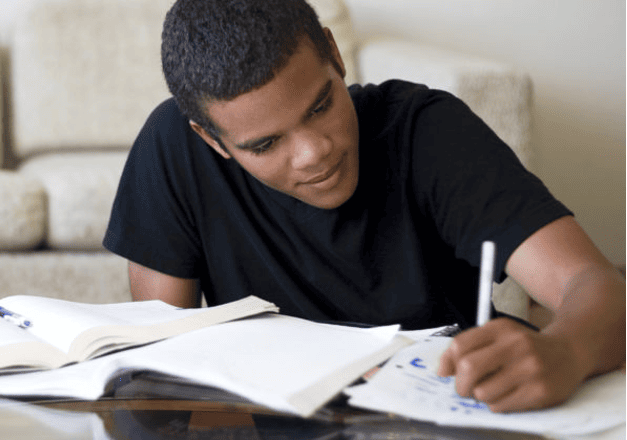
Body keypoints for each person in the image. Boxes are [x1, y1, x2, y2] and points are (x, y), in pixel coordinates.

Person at [102, 0, 625, 413]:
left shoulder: (429, 132)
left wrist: (567, 350)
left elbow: (596, 286)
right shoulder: (173, 148)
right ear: (212, 140)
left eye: (321, 105)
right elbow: (160, 359)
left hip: (442, 416)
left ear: (334, 52)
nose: (314, 154)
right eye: (265, 146)